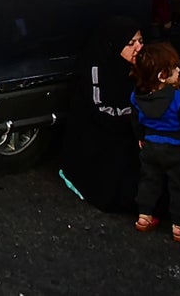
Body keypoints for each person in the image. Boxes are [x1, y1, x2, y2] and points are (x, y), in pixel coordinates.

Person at [58, 16, 145, 212]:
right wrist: (139, 115)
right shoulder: (95, 67)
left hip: (126, 128)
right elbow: (102, 111)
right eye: (130, 43)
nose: (138, 47)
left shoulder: (136, 65)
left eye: (140, 41)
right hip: (98, 136)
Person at [131, 42, 180, 243]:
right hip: (178, 150)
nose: (179, 69)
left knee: (149, 181)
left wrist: (141, 137)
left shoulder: (137, 98)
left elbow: (135, 121)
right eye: (174, 68)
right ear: (162, 76)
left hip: (150, 146)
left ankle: (144, 216)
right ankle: (179, 226)